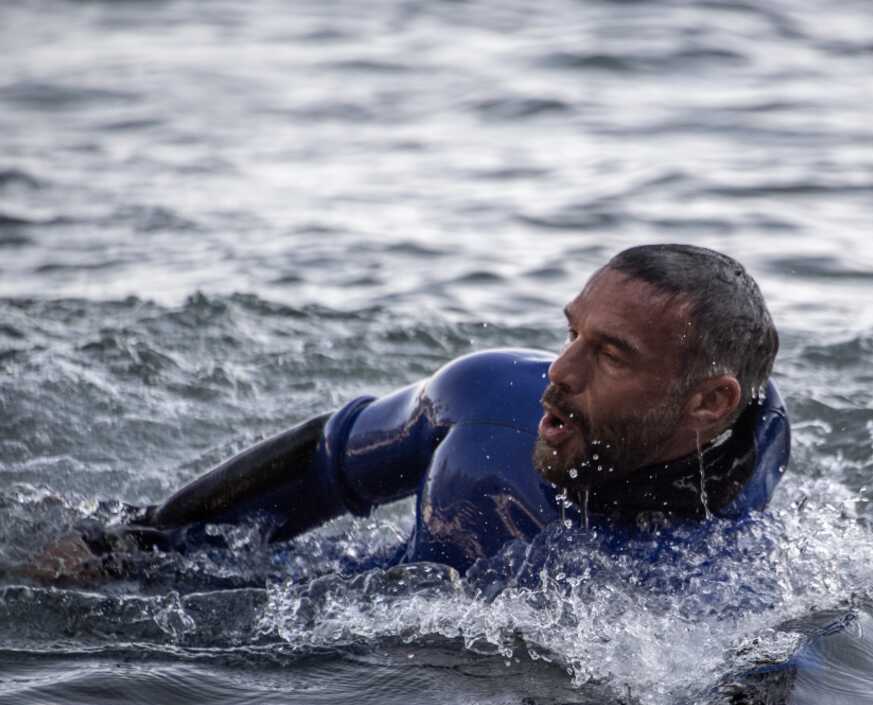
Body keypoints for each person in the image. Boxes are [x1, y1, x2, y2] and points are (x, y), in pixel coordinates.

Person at [79, 243, 790, 577]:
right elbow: (325, 459)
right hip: (354, 630)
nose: (559, 373)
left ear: (710, 403)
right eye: (571, 333)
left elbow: (771, 657)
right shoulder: (486, 403)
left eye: (611, 354)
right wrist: (134, 545)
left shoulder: (737, 523)